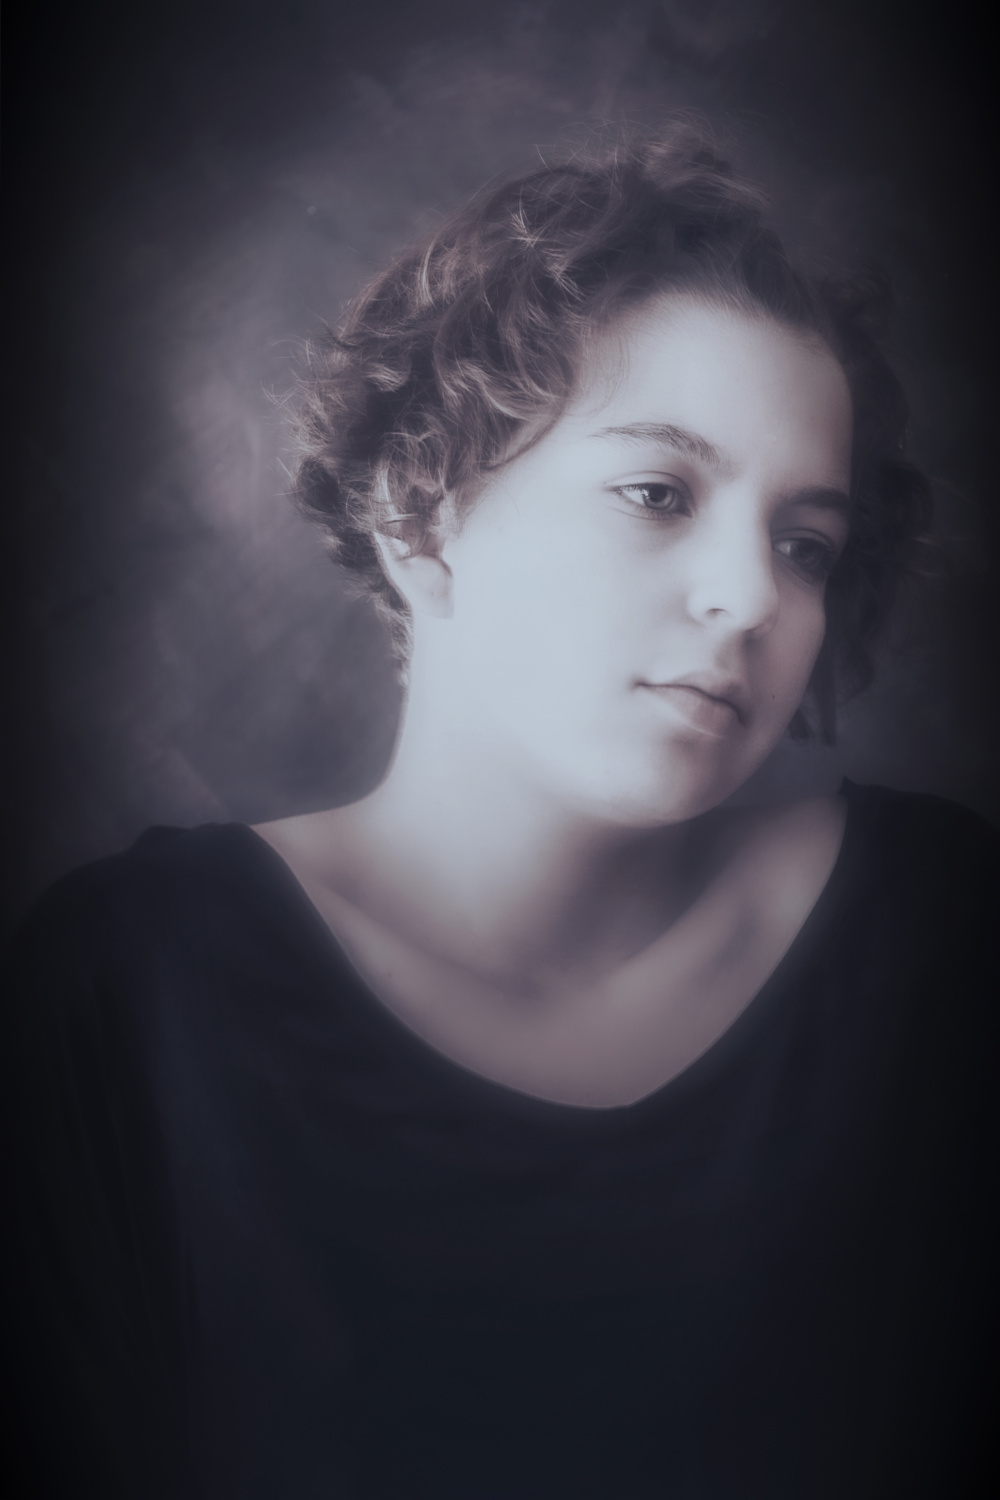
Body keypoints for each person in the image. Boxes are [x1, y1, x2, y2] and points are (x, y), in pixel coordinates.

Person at [3, 122, 997, 1499]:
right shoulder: (124, 994)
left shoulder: (949, 947)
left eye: (805, 544)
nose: (753, 597)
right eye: (657, 493)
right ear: (421, 520)